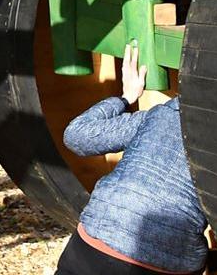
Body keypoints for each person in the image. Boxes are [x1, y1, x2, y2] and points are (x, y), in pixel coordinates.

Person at [56, 42, 208, 275]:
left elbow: (77, 136)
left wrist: (126, 97)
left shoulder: (160, 115)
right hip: (165, 264)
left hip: (93, 246)